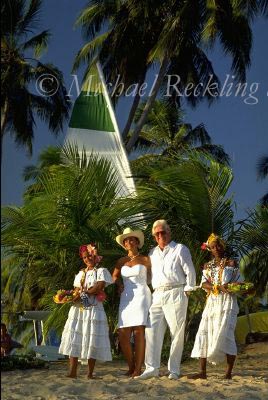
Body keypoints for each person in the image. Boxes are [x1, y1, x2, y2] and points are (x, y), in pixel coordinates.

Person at [136, 220, 196, 380]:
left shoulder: (180, 249)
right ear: (154, 236)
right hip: (157, 295)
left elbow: (190, 270)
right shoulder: (152, 253)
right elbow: (149, 276)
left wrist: (188, 289)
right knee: (151, 331)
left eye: (163, 232)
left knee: (176, 332)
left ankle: (174, 370)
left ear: (169, 233)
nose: (160, 235)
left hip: (176, 292)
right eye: (157, 234)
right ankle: (151, 368)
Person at [189, 233, 243, 380]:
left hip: (227, 303)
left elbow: (239, 283)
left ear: (222, 246)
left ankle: (228, 373)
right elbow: (203, 284)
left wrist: (231, 287)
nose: (216, 248)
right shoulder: (207, 266)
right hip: (212, 302)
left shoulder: (232, 263)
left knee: (227, 333)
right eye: (213, 247)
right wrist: (218, 287)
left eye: (218, 245)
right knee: (204, 331)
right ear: (210, 249)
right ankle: (202, 372)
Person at [59, 243, 112, 379]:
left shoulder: (101, 271)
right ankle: (72, 372)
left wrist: (82, 294)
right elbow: (76, 290)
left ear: (95, 256)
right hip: (79, 309)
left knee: (92, 338)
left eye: (89, 256)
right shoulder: (81, 273)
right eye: (84, 257)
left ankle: (89, 373)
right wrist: (67, 294)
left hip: (93, 309)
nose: (87, 259)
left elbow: (99, 287)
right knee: (74, 337)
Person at [112, 227, 152, 377]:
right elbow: (114, 277)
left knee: (138, 331)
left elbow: (154, 276)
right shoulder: (121, 261)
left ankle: (138, 369)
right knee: (123, 333)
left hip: (142, 293)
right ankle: (131, 366)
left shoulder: (146, 259)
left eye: (131, 239)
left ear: (137, 242)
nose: (128, 241)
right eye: (125, 240)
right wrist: (119, 285)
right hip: (126, 295)